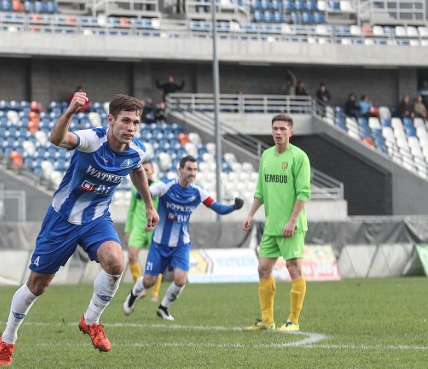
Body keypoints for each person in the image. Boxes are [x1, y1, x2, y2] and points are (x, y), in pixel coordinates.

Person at [0, 92, 159, 366]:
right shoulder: (92, 140)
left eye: (136, 122)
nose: (131, 127)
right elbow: (57, 139)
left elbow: (137, 170)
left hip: (96, 220)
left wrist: (150, 205)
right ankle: (8, 337)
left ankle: (91, 320)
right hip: (62, 220)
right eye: (126, 121)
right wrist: (70, 112)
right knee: (37, 286)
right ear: (111, 120)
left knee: (115, 262)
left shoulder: (136, 151)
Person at [123, 155, 244, 321]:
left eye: (195, 169)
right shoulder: (166, 186)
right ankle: (133, 293)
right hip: (159, 243)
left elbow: (218, 208)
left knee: (180, 280)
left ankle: (163, 307)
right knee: (149, 280)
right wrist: (142, 195)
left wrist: (234, 207)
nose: (192, 173)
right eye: (189, 169)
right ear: (180, 169)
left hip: (181, 244)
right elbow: (146, 193)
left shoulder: (198, 192)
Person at [241, 113, 311, 332]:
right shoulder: (267, 156)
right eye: (275, 128)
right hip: (271, 226)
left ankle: (293, 321)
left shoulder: (299, 157)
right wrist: (250, 214)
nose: (278, 132)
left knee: (294, 270)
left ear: (291, 132)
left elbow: (303, 193)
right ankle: (267, 320)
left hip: (292, 226)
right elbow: (261, 191)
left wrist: (292, 221)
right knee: (263, 269)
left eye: (282, 129)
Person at [124, 159, 162, 302]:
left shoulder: (160, 186)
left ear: (153, 171)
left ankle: (155, 292)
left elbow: (162, 209)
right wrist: (128, 230)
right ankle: (140, 289)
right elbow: (131, 210)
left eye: (147, 170)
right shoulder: (136, 187)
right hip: (138, 228)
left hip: (155, 228)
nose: (145, 172)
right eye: (143, 170)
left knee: (157, 261)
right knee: (132, 255)